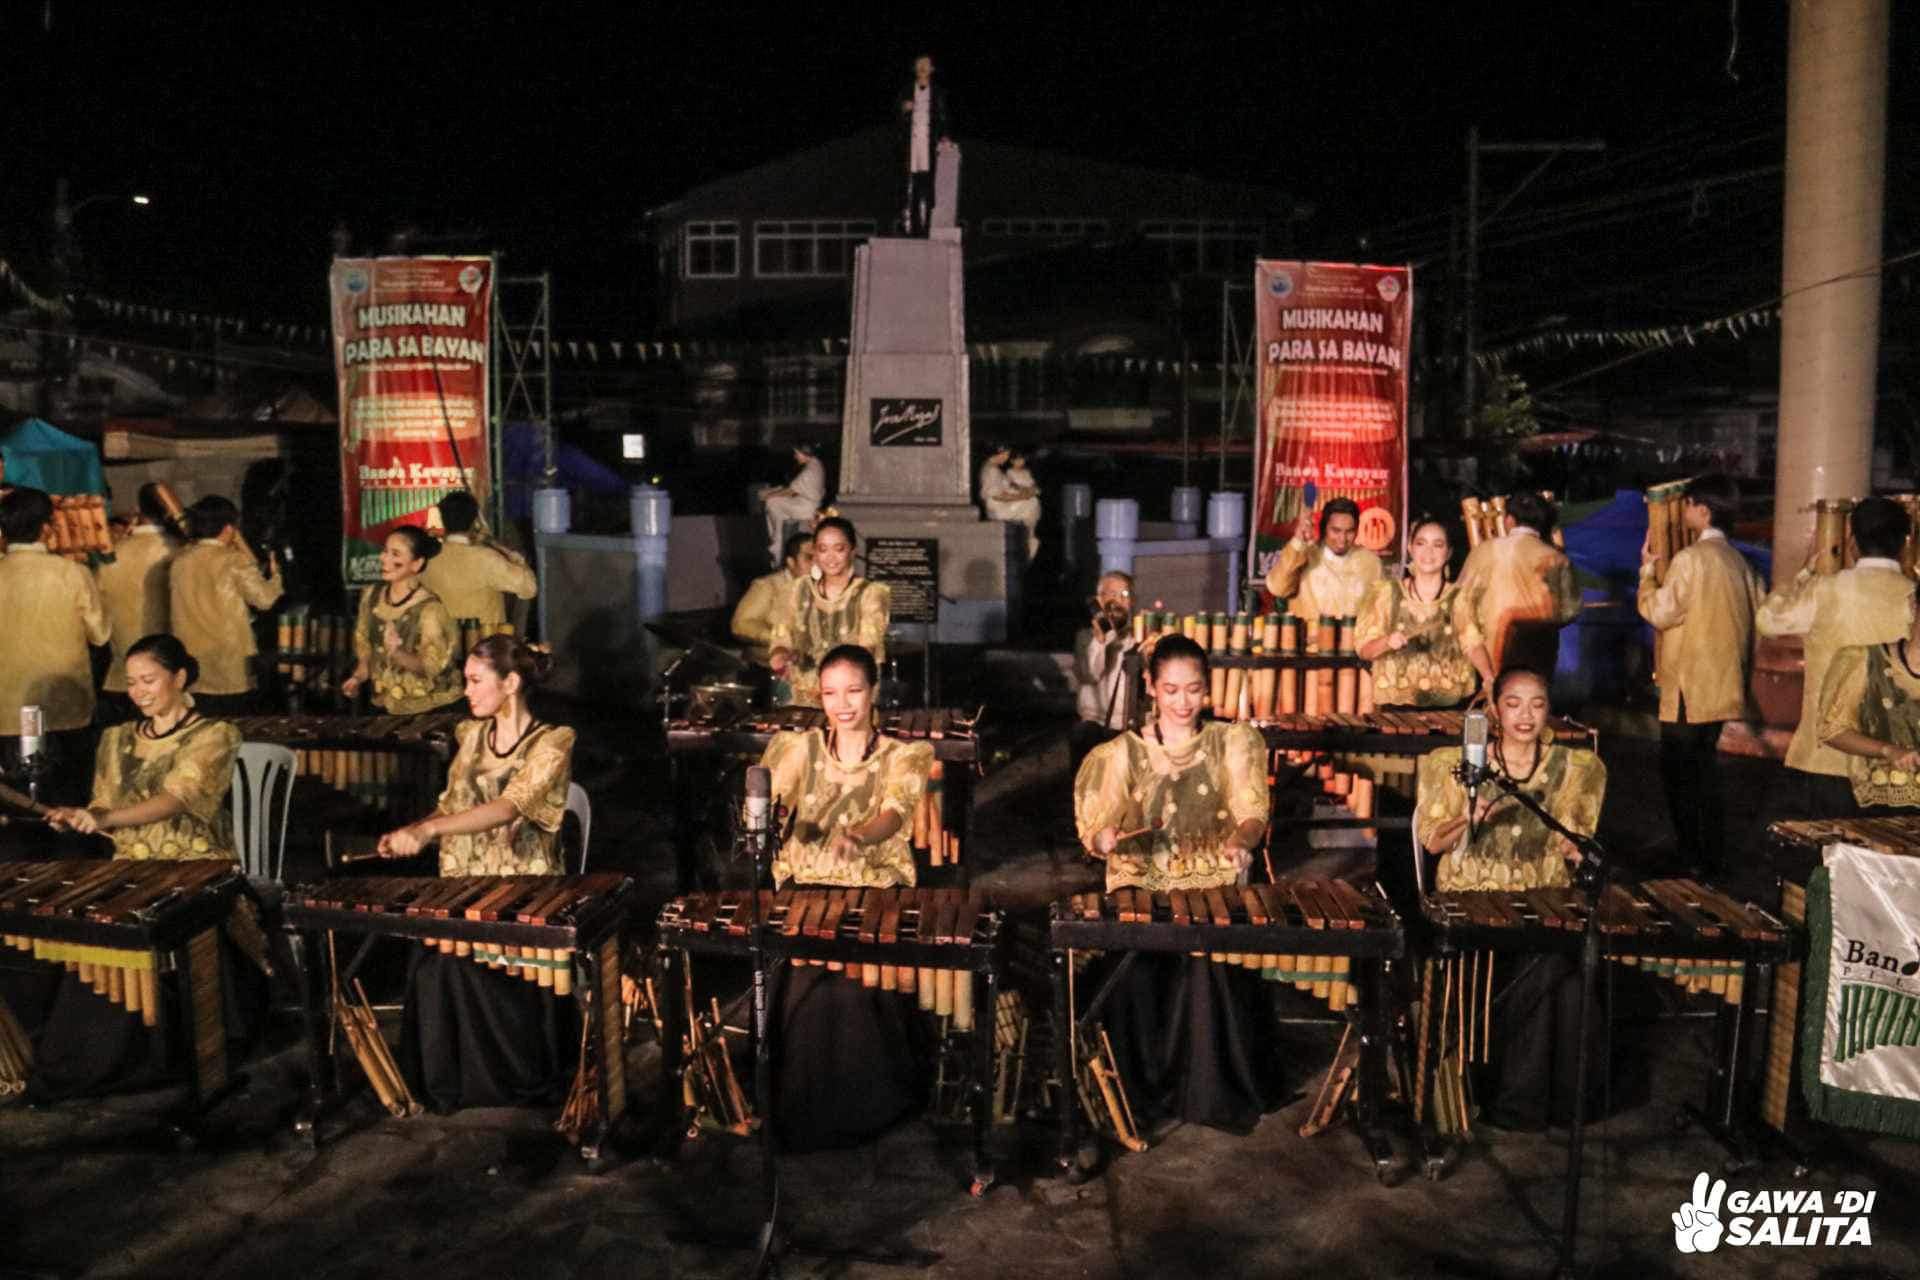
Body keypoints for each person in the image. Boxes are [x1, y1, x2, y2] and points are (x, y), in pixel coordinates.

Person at [10, 635, 260, 1101]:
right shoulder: (113, 739)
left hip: (195, 869)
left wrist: (105, 817)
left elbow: (176, 799)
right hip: (130, 870)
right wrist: (81, 818)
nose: (139, 691)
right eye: (131, 683)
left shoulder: (216, 735)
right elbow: (103, 808)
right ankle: (84, 1061)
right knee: (76, 927)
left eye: (149, 680)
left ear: (179, 678)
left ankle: (164, 1054)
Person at [1073, 635, 1276, 1132]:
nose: (1183, 703)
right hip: (1140, 880)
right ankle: (1139, 1086)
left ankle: (1206, 1092)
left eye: (1194, 690)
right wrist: (1102, 837)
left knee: (1209, 949)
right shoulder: (1121, 753)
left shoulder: (1233, 742)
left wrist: (1243, 840)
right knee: (1136, 953)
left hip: (1209, 881)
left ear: (1207, 689)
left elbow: (1252, 814)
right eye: (1171, 691)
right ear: (1150, 688)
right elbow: (1097, 829)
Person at [378, 636, 578, 1110]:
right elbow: (452, 806)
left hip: (522, 890)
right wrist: (414, 828)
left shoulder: (554, 740)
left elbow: (508, 808)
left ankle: (507, 1082)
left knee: (461, 969)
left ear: (510, 683)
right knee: (434, 964)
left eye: (474, 680)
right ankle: (446, 1087)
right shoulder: (468, 735)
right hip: (462, 885)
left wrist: (428, 831)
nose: (465, 690)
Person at [1414, 667, 1608, 1130]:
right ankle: (1482, 1087)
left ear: (1549, 711)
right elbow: (1433, 842)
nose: (1525, 714)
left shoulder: (1577, 768)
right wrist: (1467, 815)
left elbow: (1579, 837)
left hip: (1544, 898)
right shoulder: (1453, 763)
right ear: (1495, 710)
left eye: (1537, 704)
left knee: (1564, 963)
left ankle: (1539, 1102)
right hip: (1469, 897)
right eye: (1514, 703)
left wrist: (1574, 849)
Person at [759, 644, 934, 1147]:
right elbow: (774, 799)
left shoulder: (904, 756)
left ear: (874, 691)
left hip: (873, 888)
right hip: (807, 890)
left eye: (854, 690)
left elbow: (896, 813)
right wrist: (764, 813)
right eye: (831, 692)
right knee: (803, 984)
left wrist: (862, 835)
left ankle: (875, 1106)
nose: (843, 703)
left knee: (857, 985)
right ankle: (796, 1109)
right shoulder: (799, 750)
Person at [1756, 495, 1917, 816]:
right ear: (1902, 543)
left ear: (1852, 542)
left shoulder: (1825, 590)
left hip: (1826, 755)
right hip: (1898, 763)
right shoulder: (1912, 596)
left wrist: (1805, 573)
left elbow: (1767, 621)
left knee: (1829, 858)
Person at [1635, 474, 1763, 874]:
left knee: (1681, 773)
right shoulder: (1740, 561)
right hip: (1723, 684)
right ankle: (1708, 853)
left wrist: (1647, 575)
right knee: (1703, 771)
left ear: (1703, 510)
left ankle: (1692, 856)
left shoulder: (1691, 559)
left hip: (1689, 684)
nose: (1684, 510)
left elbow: (1660, 612)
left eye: (1689, 504)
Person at [0, 486, 111, 804]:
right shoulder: (73, 574)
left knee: (15, 805)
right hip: (65, 709)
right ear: (47, 527)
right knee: (68, 801)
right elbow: (100, 634)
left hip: (5, 713)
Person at [167, 494, 284, 716]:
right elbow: (264, 600)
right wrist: (276, 578)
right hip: (229, 662)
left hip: (191, 662)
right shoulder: (233, 560)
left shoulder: (180, 561)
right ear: (229, 528)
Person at [1451, 490, 1582, 684]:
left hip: (1486, 656)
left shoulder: (1482, 551)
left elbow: (1460, 605)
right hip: (1538, 655)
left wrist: (1475, 648)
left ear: (1509, 521)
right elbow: (1570, 610)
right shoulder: (1557, 559)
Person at [1355, 515, 1478, 708]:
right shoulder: (1386, 593)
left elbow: (1473, 643)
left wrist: (1489, 678)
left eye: (1438, 545)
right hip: (1396, 705)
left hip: (1451, 704)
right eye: (1421, 543)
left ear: (1448, 553)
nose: (1428, 552)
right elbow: (1364, 650)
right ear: (1410, 549)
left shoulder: (1460, 597)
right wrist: (1387, 641)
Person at [768, 516, 890, 707]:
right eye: (823, 549)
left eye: (839, 549)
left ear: (852, 551)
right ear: (815, 554)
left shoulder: (870, 594)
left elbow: (866, 651)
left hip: (848, 699)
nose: (830, 557)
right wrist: (782, 654)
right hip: (802, 697)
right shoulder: (795, 590)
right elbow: (781, 639)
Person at [342, 527, 464, 715]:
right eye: (385, 551)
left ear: (416, 564)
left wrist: (398, 653)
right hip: (387, 706)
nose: (384, 558)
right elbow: (365, 650)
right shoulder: (371, 596)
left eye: (395, 554)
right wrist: (357, 678)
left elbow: (431, 667)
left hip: (430, 708)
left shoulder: (430, 609)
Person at [1814, 605, 1920, 812]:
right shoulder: (1865, 658)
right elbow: (1832, 730)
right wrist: (1887, 750)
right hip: (1879, 806)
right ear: (1913, 606)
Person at [94, 483, 179, 724]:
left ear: (137, 510)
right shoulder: (179, 552)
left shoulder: (111, 556)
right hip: (167, 676)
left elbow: (97, 616)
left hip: (121, 675)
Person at [1264, 499, 1383, 650]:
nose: (1342, 539)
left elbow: (1382, 612)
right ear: (1324, 528)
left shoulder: (1371, 563)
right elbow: (1277, 587)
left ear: (1357, 530)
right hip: (1310, 653)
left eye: (1349, 531)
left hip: (1355, 654)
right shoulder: (1304, 555)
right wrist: (1298, 542)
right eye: (1336, 530)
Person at [419, 490, 537, 630]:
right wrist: (501, 548)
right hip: (485, 646)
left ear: (442, 520)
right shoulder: (487, 559)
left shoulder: (426, 559)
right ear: (475, 522)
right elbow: (529, 588)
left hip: (442, 644)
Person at [1070, 571, 1140, 769]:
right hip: (1095, 723)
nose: (1118, 600)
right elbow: (1090, 674)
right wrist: (1102, 639)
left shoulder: (1138, 636)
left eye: (1124, 595)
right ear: (1099, 600)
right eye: (1111, 594)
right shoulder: (1085, 637)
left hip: (1127, 724)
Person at [731, 531, 813, 665]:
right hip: (769, 667)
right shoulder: (768, 586)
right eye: (809, 558)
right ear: (791, 562)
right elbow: (741, 625)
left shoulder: (830, 588)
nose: (817, 564)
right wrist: (784, 639)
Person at [896, 54, 953, 237]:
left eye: (926, 65)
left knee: (926, 185)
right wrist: (903, 111)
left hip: (927, 143)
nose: (922, 68)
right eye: (919, 64)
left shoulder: (937, 92)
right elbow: (897, 116)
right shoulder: (906, 90)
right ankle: (911, 227)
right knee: (909, 186)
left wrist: (944, 136)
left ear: (931, 70)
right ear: (914, 68)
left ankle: (926, 225)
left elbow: (943, 116)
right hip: (910, 144)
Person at [762, 445, 826, 569]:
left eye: (797, 453)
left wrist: (769, 495)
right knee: (777, 501)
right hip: (807, 503)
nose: (795, 456)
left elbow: (791, 491)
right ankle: (778, 538)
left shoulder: (809, 471)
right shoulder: (816, 463)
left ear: (804, 453)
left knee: (772, 502)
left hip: (807, 508)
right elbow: (796, 489)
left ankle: (776, 541)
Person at [988, 451, 1042, 563]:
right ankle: (1028, 535)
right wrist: (1024, 493)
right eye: (1017, 460)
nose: (1020, 462)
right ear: (1012, 461)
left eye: (1022, 459)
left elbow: (1033, 487)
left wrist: (1031, 490)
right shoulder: (1009, 473)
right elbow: (1012, 487)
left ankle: (1031, 535)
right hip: (1014, 500)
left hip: (1023, 497)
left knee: (1033, 502)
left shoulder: (1026, 473)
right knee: (1031, 502)